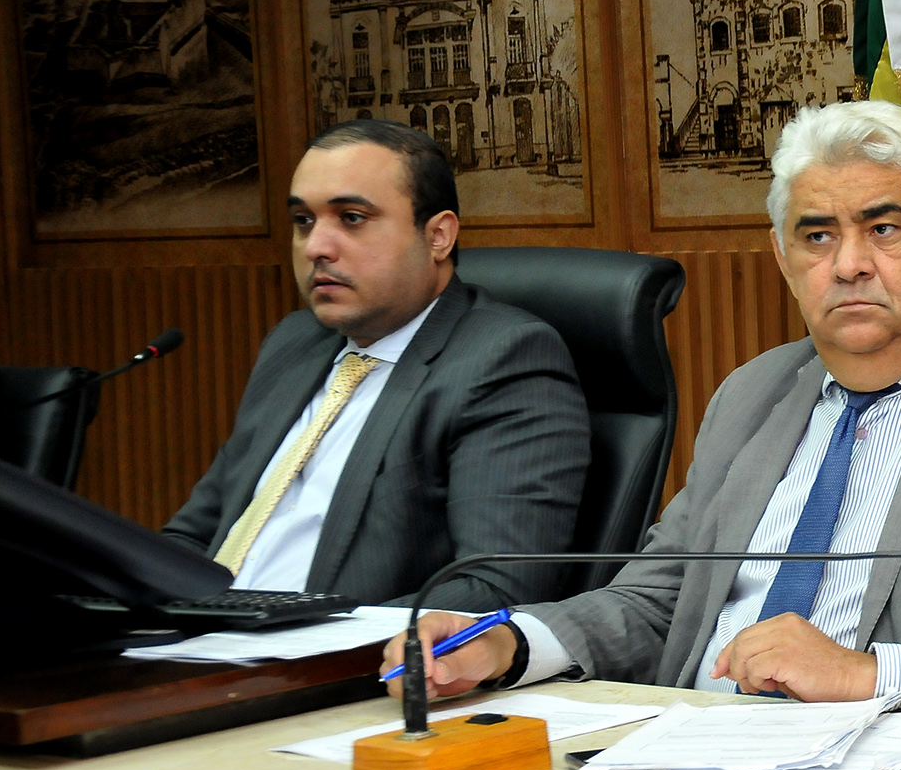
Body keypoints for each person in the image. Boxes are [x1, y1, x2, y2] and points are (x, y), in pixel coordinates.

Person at [384, 100, 901, 733]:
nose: (848, 264)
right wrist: (511, 643)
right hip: (688, 765)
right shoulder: (755, 393)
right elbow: (660, 603)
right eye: (817, 236)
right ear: (783, 256)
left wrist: (869, 674)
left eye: (883, 228)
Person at [165, 121, 589, 610]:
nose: (316, 247)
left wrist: (304, 636)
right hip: (204, 636)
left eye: (351, 218)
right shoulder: (294, 343)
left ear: (438, 236)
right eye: (303, 220)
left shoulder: (503, 359)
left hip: (330, 651)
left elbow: (496, 587)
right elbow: (194, 537)